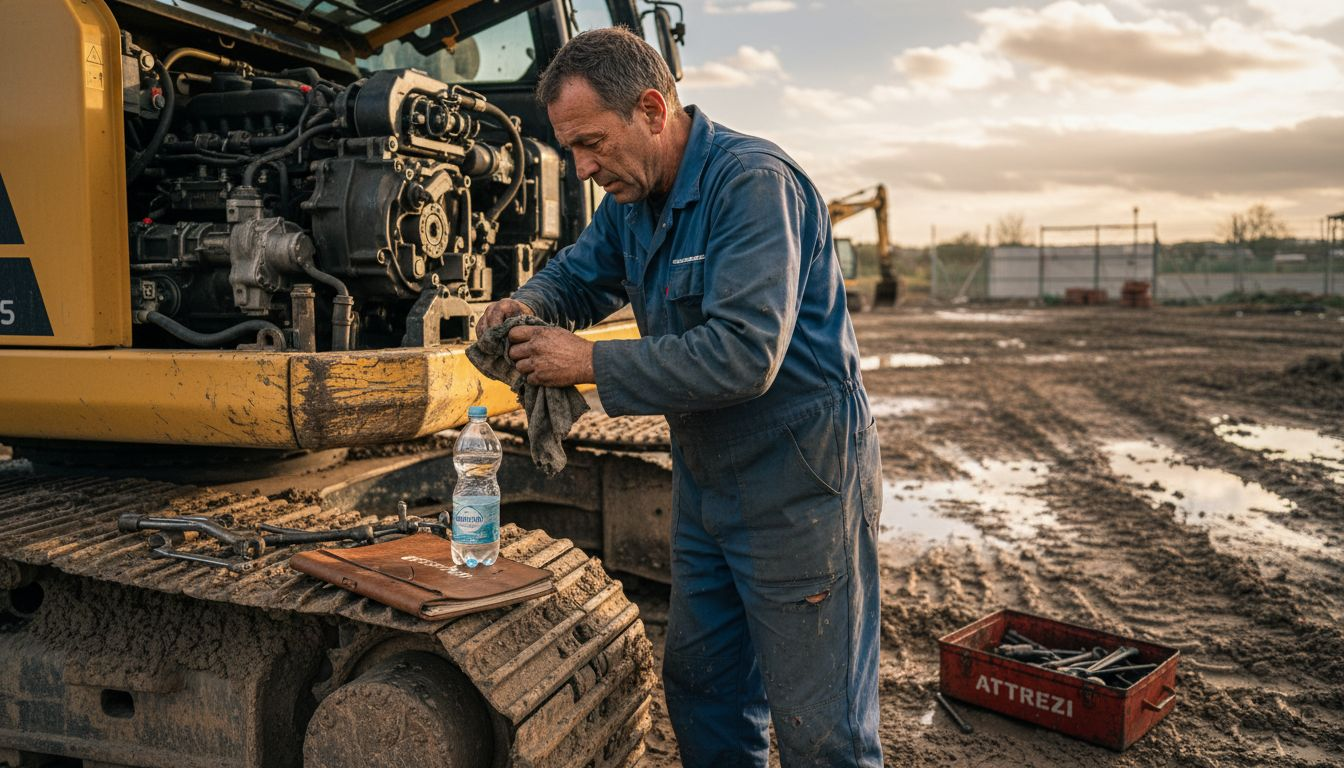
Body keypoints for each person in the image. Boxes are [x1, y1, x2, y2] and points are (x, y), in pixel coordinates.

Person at [477, 27, 882, 767]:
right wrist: (525, 305)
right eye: (572, 149)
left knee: (820, 728)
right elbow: (577, 275)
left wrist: (587, 361)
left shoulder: (753, 186)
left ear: (654, 109)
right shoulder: (631, 199)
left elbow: (743, 356)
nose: (583, 167)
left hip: (801, 479)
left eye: (593, 142)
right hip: (708, 475)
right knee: (704, 687)